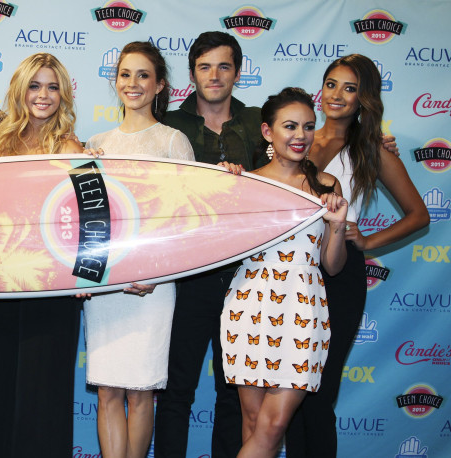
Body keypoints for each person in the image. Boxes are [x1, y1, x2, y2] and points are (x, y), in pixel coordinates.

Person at [285, 55, 430, 458]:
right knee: (290, 391)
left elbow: (419, 215)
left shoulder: (371, 150)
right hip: (288, 273)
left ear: (363, 99)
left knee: (319, 391)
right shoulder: (298, 136)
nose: (337, 95)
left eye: (350, 88)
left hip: (339, 275)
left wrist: (367, 242)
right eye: (331, 84)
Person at [0, 52, 83, 458]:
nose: (43, 95)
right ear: (20, 90)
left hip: (50, 284)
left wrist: (83, 276)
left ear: (64, 94)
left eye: (53, 86)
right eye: (35, 86)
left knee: (42, 393)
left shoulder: (71, 146)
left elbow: (86, 221)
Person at [218, 87, 348, 458]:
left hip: (303, 308)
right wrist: (226, 190)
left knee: (274, 426)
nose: (300, 135)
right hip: (247, 307)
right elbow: (223, 245)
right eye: (290, 126)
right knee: (254, 420)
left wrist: (337, 225)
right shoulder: (247, 182)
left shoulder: (326, 186)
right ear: (266, 131)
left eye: (308, 126)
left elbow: (333, 266)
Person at [155, 31, 265, 458]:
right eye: (205, 66)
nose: (214, 75)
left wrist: (369, 141)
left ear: (238, 71)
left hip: (245, 276)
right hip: (188, 275)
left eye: (224, 66)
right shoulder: (170, 125)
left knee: (232, 390)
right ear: (191, 73)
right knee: (176, 387)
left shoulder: (260, 122)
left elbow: (303, 148)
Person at [84, 41, 195, 458]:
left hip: (152, 285)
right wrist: (89, 274)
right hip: (107, 284)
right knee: (108, 390)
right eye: (125, 74)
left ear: (160, 85)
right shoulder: (95, 143)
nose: (133, 83)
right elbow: (86, 224)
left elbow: (184, 223)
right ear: (115, 82)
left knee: (141, 391)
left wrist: (158, 275)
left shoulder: (173, 142)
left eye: (143, 75)